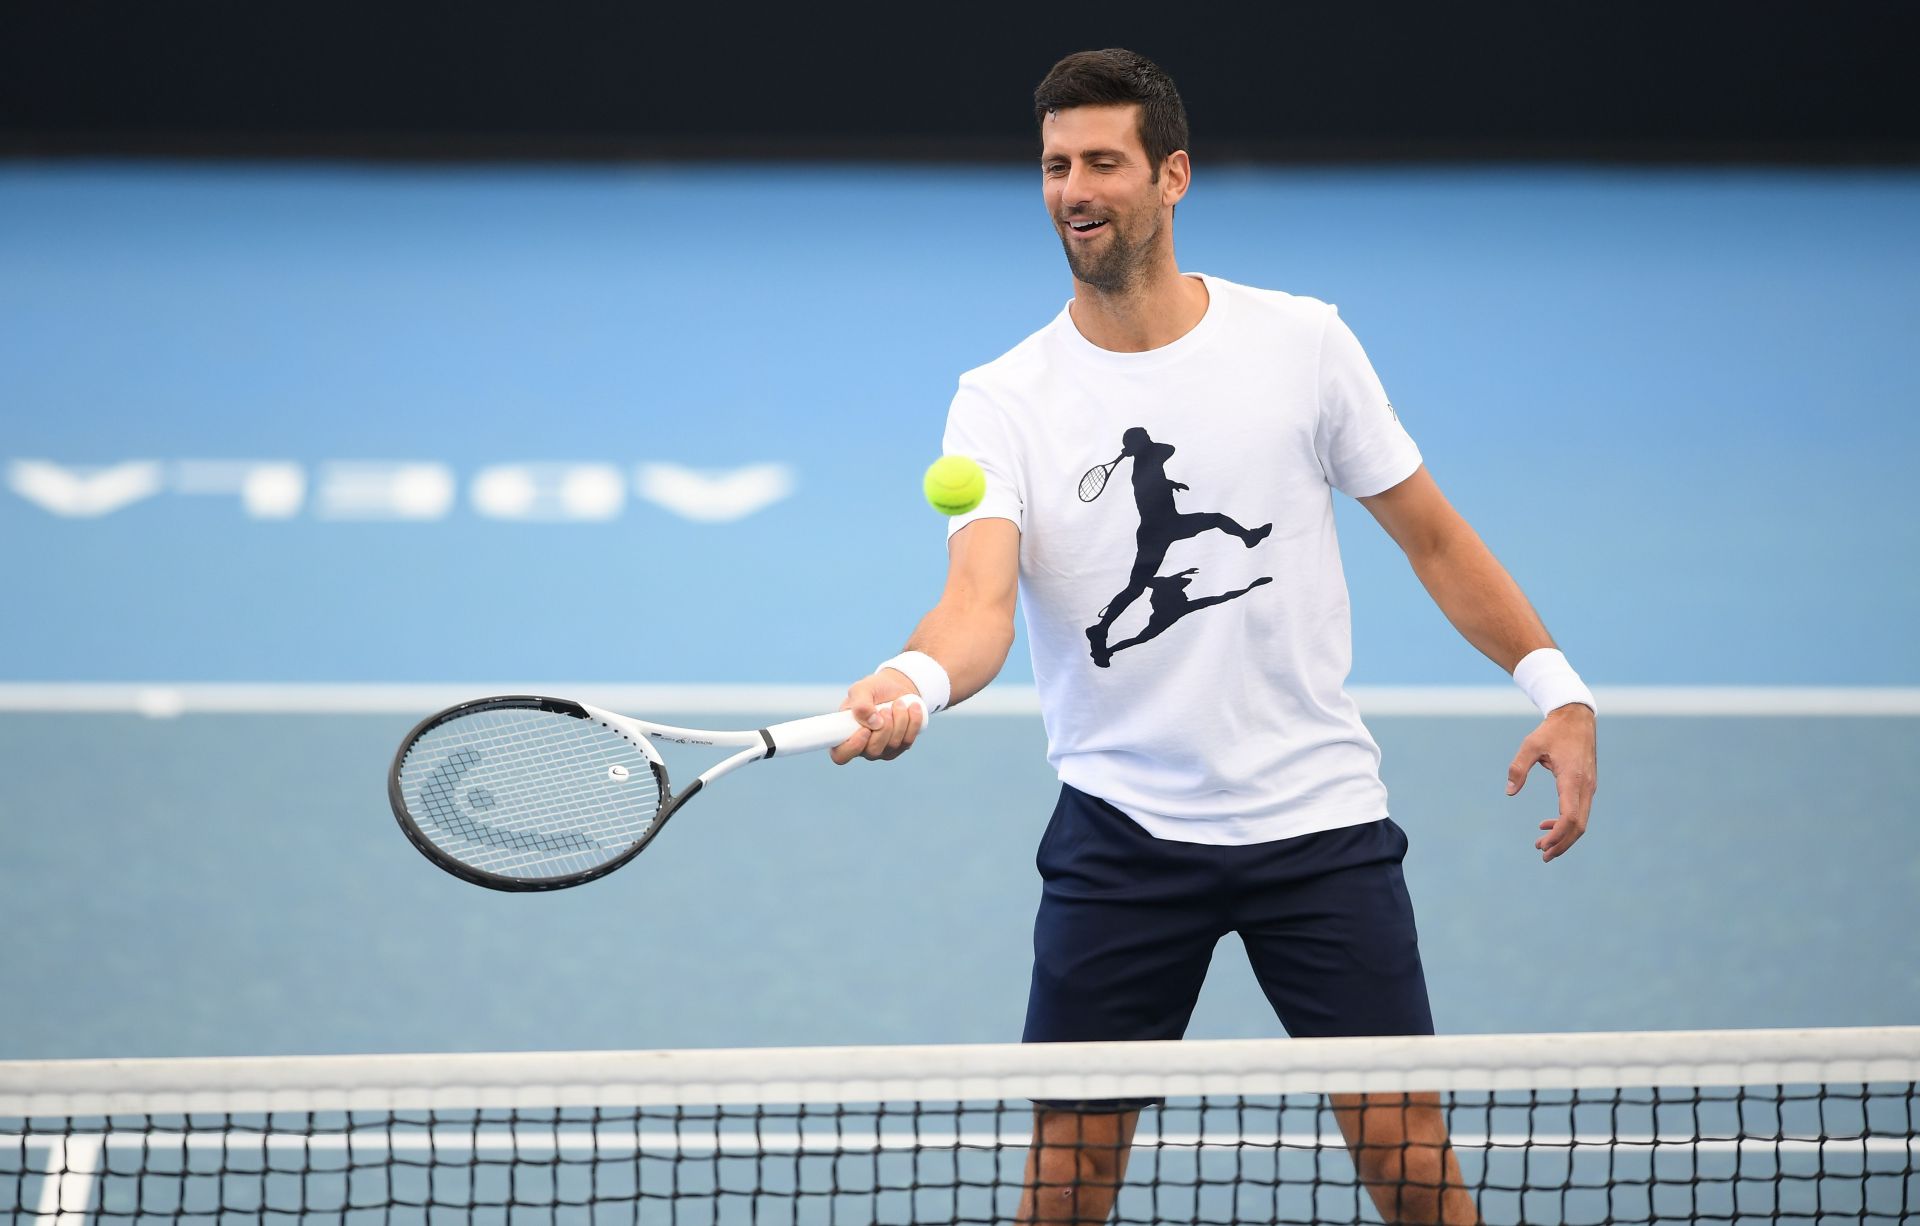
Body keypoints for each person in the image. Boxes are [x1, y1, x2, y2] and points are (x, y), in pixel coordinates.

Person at [831, 48, 1597, 1226]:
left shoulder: (1301, 343)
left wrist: (1558, 687)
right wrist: (915, 681)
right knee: (1067, 1177)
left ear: (1172, 174)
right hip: (1123, 837)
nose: (1072, 188)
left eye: (1101, 161)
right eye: (1052, 166)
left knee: (1408, 1161)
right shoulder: (1003, 397)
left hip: (1319, 827)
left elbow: (1434, 535)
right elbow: (978, 605)